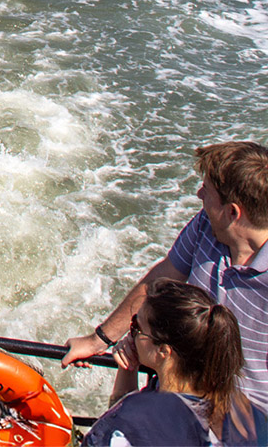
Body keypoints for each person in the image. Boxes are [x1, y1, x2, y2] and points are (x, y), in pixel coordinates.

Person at [63, 142, 268, 412]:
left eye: (206, 191)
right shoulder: (206, 225)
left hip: (246, 423)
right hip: (175, 399)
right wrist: (97, 341)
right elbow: (158, 282)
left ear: (233, 212)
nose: (198, 194)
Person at [83, 280, 268, 445]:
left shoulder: (132, 420)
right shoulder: (243, 412)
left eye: (136, 328)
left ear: (163, 351)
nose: (131, 336)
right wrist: (128, 368)